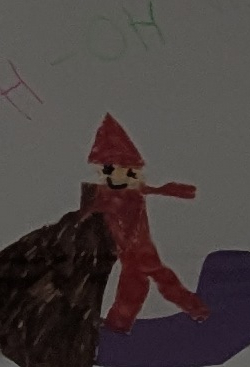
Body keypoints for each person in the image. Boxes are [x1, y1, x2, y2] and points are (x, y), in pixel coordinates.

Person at [81, 113, 209, 334]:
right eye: (111, 169)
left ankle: (195, 309)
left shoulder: (126, 194)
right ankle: (119, 324)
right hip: (131, 250)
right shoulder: (106, 194)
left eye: (128, 171)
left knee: (154, 280)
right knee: (137, 283)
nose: (120, 176)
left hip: (139, 250)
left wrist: (176, 190)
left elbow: (146, 194)